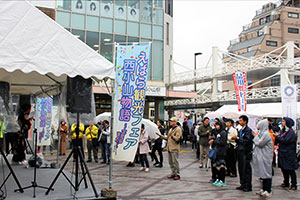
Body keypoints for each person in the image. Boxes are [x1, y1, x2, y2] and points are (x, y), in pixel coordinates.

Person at [273, 117, 298, 191]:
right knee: (284, 168)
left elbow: (285, 140)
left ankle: (294, 184)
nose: (282, 123)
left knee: (290, 169)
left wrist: (278, 137)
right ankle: (286, 182)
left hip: (289, 153)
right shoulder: (283, 131)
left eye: (283, 121)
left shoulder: (291, 132)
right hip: (282, 152)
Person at [252, 119, 274, 198]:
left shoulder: (266, 134)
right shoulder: (261, 133)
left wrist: (255, 136)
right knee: (262, 173)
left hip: (266, 157)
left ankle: (268, 190)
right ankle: (264, 188)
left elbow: (260, 143)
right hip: (261, 156)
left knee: (266, 173)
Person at [232, 115, 254, 192]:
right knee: (241, 168)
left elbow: (247, 141)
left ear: (245, 121)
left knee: (246, 168)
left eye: (241, 120)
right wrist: (236, 139)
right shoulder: (240, 130)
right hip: (239, 150)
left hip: (245, 151)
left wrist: (238, 138)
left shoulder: (248, 130)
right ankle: (242, 183)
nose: (240, 122)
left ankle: (248, 185)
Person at [209, 121, 227, 187]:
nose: (217, 127)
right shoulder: (218, 133)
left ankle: (222, 180)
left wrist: (214, 141)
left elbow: (223, 142)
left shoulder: (223, 133)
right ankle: (218, 179)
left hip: (221, 151)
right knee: (217, 166)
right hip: (217, 151)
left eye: (218, 125)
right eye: (216, 125)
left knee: (221, 166)